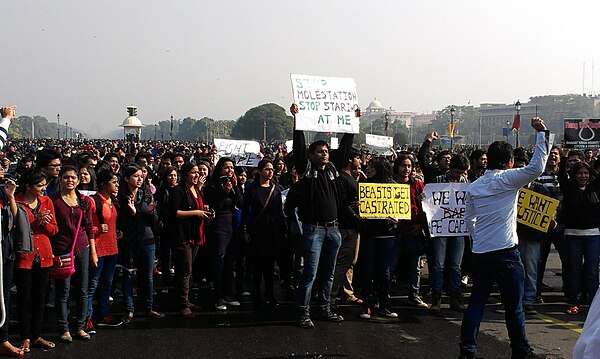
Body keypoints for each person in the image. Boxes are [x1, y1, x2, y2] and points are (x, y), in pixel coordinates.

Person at [459, 117, 549, 359]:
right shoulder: (508, 179)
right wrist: (541, 134)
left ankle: (467, 350)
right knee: (514, 307)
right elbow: (538, 167)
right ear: (510, 162)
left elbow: (469, 220)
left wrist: (478, 241)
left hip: (481, 253)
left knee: (477, 303)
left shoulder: (474, 187)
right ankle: (521, 349)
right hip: (506, 252)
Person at [288, 103, 358, 328]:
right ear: (311, 155)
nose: (325, 154)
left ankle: (325, 309)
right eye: (320, 151)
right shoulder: (306, 170)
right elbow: (299, 149)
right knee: (310, 274)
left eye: (327, 151)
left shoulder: (333, 170)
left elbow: (346, 149)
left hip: (333, 230)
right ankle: (303, 312)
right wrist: (298, 123)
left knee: (328, 274)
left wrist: (352, 125)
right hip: (313, 230)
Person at [14, 169, 58, 353]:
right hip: (24, 256)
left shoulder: (46, 201)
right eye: (39, 186)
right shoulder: (15, 202)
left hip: (44, 255)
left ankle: (37, 334)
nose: (43, 189)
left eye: (45, 185)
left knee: (40, 297)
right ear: (28, 186)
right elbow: (14, 229)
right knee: (24, 297)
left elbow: (54, 230)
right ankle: (24, 336)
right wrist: (34, 221)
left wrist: (43, 223)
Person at [50, 165, 95, 342]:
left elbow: (89, 226)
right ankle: (64, 328)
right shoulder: (52, 200)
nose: (70, 180)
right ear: (60, 179)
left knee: (83, 289)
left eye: (73, 178)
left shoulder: (84, 201)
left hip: (82, 247)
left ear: (78, 180)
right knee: (63, 291)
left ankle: (80, 327)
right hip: (61, 249)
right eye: (66, 177)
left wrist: (93, 252)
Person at [117, 165, 165, 323]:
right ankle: (129, 309)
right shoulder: (120, 197)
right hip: (129, 241)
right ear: (126, 178)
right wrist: (132, 213)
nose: (139, 178)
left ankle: (149, 308)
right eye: (135, 176)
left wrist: (150, 212)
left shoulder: (147, 195)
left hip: (147, 239)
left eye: (141, 175)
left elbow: (154, 221)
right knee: (128, 275)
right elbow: (121, 223)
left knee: (148, 277)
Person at [357, 156, 398, 319]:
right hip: (370, 234)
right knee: (367, 270)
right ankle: (366, 305)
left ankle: (384, 305)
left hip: (387, 235)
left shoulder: (394, 187)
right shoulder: (365, 186)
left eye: (372, 167)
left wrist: (398, 217)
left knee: (385, 272)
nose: (368, 168)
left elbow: (401, 209)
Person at [169, 162, 211, 318]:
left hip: (196, 234)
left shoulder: (196, 190)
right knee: (184, 270)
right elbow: (176, 212)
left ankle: (185, 299)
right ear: (185, 174)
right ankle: (183, 304)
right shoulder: (178, 191)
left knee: (189, 269)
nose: (197, 175)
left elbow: (198, 208)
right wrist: (196, 212)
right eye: (193, 172)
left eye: (198, 173)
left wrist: (204, 211)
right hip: (183, 235)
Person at [558, 161, 600, 315]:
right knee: (574, 270)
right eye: (580, 173)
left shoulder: (594, 188)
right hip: (573, 236)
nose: (583, 176)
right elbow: (561, 176)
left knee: (592, 271)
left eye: (586, 173)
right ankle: (574, 302)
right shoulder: (569, 189)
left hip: (593, 236)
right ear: (574, 175)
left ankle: (594, 305)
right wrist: (564, 157)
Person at [429, 154, 470, 312]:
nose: (459, 176)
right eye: (456, 172)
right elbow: (428, 200)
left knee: (455, 265)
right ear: (450, 169)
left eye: (461, 173)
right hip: (441, 229)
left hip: (458, 230)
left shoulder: (466, 184)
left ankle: (455, 296)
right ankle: (437, 297)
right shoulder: (438, 181)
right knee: (438, 264)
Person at [242, 159, 285, 307]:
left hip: (273, 232)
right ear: (260, 171)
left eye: (272, 169)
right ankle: (256, 295)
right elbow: (245, 211)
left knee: (270, 265)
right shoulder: (251, 189)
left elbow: (280, 212)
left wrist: (282, 232)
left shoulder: (277, 189)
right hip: (257, 231)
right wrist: (245, 230)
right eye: (267, 169)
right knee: (258, 265)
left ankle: (270, 294)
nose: (270, 172)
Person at [86, 170, 123, 330]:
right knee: (92, 285)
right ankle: (86, 318)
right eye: (113, 182)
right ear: (103, 184)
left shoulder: (113, 200)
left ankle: (103, 314)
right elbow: (85, 227)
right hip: (98, 249)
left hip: (112, 249)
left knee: (107, 284)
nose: (117, 184)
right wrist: (96, 229)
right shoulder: (93, 201)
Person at [204, 158, 243, 310]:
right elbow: (216, 206)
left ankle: (228, 294)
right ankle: (218, 297)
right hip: (218, 226)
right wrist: (224, 191)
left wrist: (235, 187)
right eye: (226, 167)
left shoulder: (233, 185)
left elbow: (240, 203)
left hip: (232, 226)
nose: (230, 170)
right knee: (219, 261)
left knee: (230, 262)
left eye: (232, 167)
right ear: (220, 169)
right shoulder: (212, 186)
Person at [393, 154, 428, 308]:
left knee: (415, 267)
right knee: (389, 266)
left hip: (413, 230)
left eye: (409, 166)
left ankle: (414, 295)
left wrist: (420, 225)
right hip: (394, 231)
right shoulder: (390, 184)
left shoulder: (418, 185)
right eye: (403, 166)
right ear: (397, 167)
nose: (406, 169)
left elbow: (425, 207)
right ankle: (384, 295)